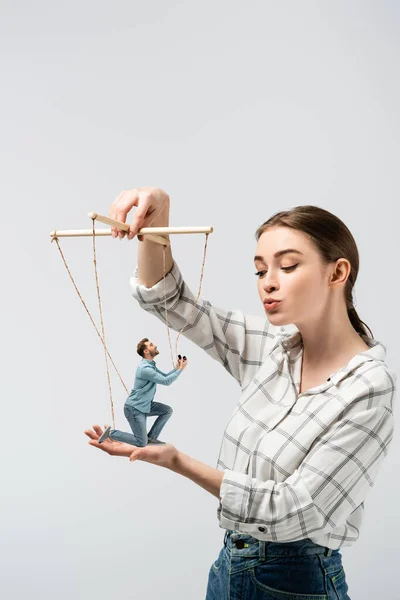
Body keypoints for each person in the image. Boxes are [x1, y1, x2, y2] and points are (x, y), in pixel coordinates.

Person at [84, 187, 396, 600]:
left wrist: (177, 461)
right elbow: (172, 303)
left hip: (298, 581)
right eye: (260, 270)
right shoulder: (271, 345)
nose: (268, 283)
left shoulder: (369, 387)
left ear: (337, 273)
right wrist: (157, 222)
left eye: (287, 266)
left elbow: (296, 509)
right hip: (229, 567)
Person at [98, 338, 188, 446]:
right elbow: (167, 381)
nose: (155, 345)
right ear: (146, 351)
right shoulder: (145, 369)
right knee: (141, 442)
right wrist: (181, 369)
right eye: (151, 345)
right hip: (134, 408)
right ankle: (112, 433)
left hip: (145, 405)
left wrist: (177, 368)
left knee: (167, 411)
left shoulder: (150, 365)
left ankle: (151, 438)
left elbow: (164, 377)